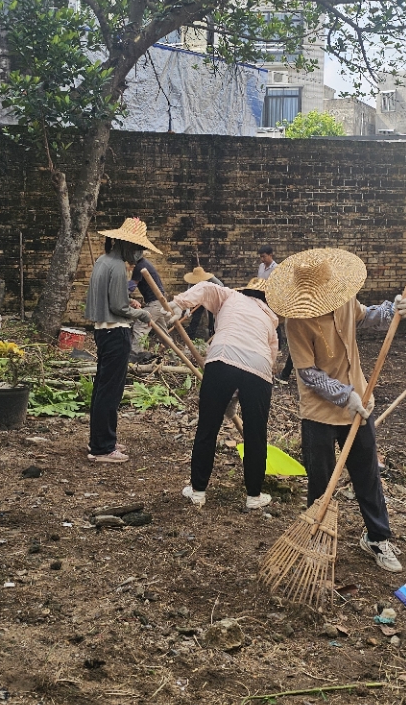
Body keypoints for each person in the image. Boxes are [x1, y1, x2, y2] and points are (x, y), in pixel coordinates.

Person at [265, 248, 406, 573]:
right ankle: (315, 539)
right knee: (321, 483)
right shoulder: (297, 322)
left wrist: (396, 310)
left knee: (367, 475)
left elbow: (371, 316)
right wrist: (345, 395)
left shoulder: (345, 301)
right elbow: (307, 373)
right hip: (319, 412)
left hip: (359, 407)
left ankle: (377, 538)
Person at [167, 278, 278, 510]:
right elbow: (272, 355)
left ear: (245, 290)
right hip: (259, 369)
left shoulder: (230, 296)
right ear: (267, 299)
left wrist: (179, 303)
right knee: (256, 435)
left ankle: (198, 492)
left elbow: (206, 287)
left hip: (223, 359)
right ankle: (254, 496)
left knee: (207, 428)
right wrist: (244, 392)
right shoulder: (270, 318)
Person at [86, 217, 159, 462]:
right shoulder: (117, 266)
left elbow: (111, 300)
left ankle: (101, 440)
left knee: (102, 388)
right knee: (111, 391)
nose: (139, 253)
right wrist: (142, 312)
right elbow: (118, 306)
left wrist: (130, 302)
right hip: (116, 332)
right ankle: (103, 448)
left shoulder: (102, 261)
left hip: (102, 331)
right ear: (125, 244)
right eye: (137, 247)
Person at [182, 265, 222, 340]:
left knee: (212, 318)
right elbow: (188, 295)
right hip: (199, 300)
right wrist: (187, 309)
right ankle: (189, 338)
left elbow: (221, 286)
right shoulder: (192, 282)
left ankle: (212, 336)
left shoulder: (211, 279)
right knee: (196, 318)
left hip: (211, 299)